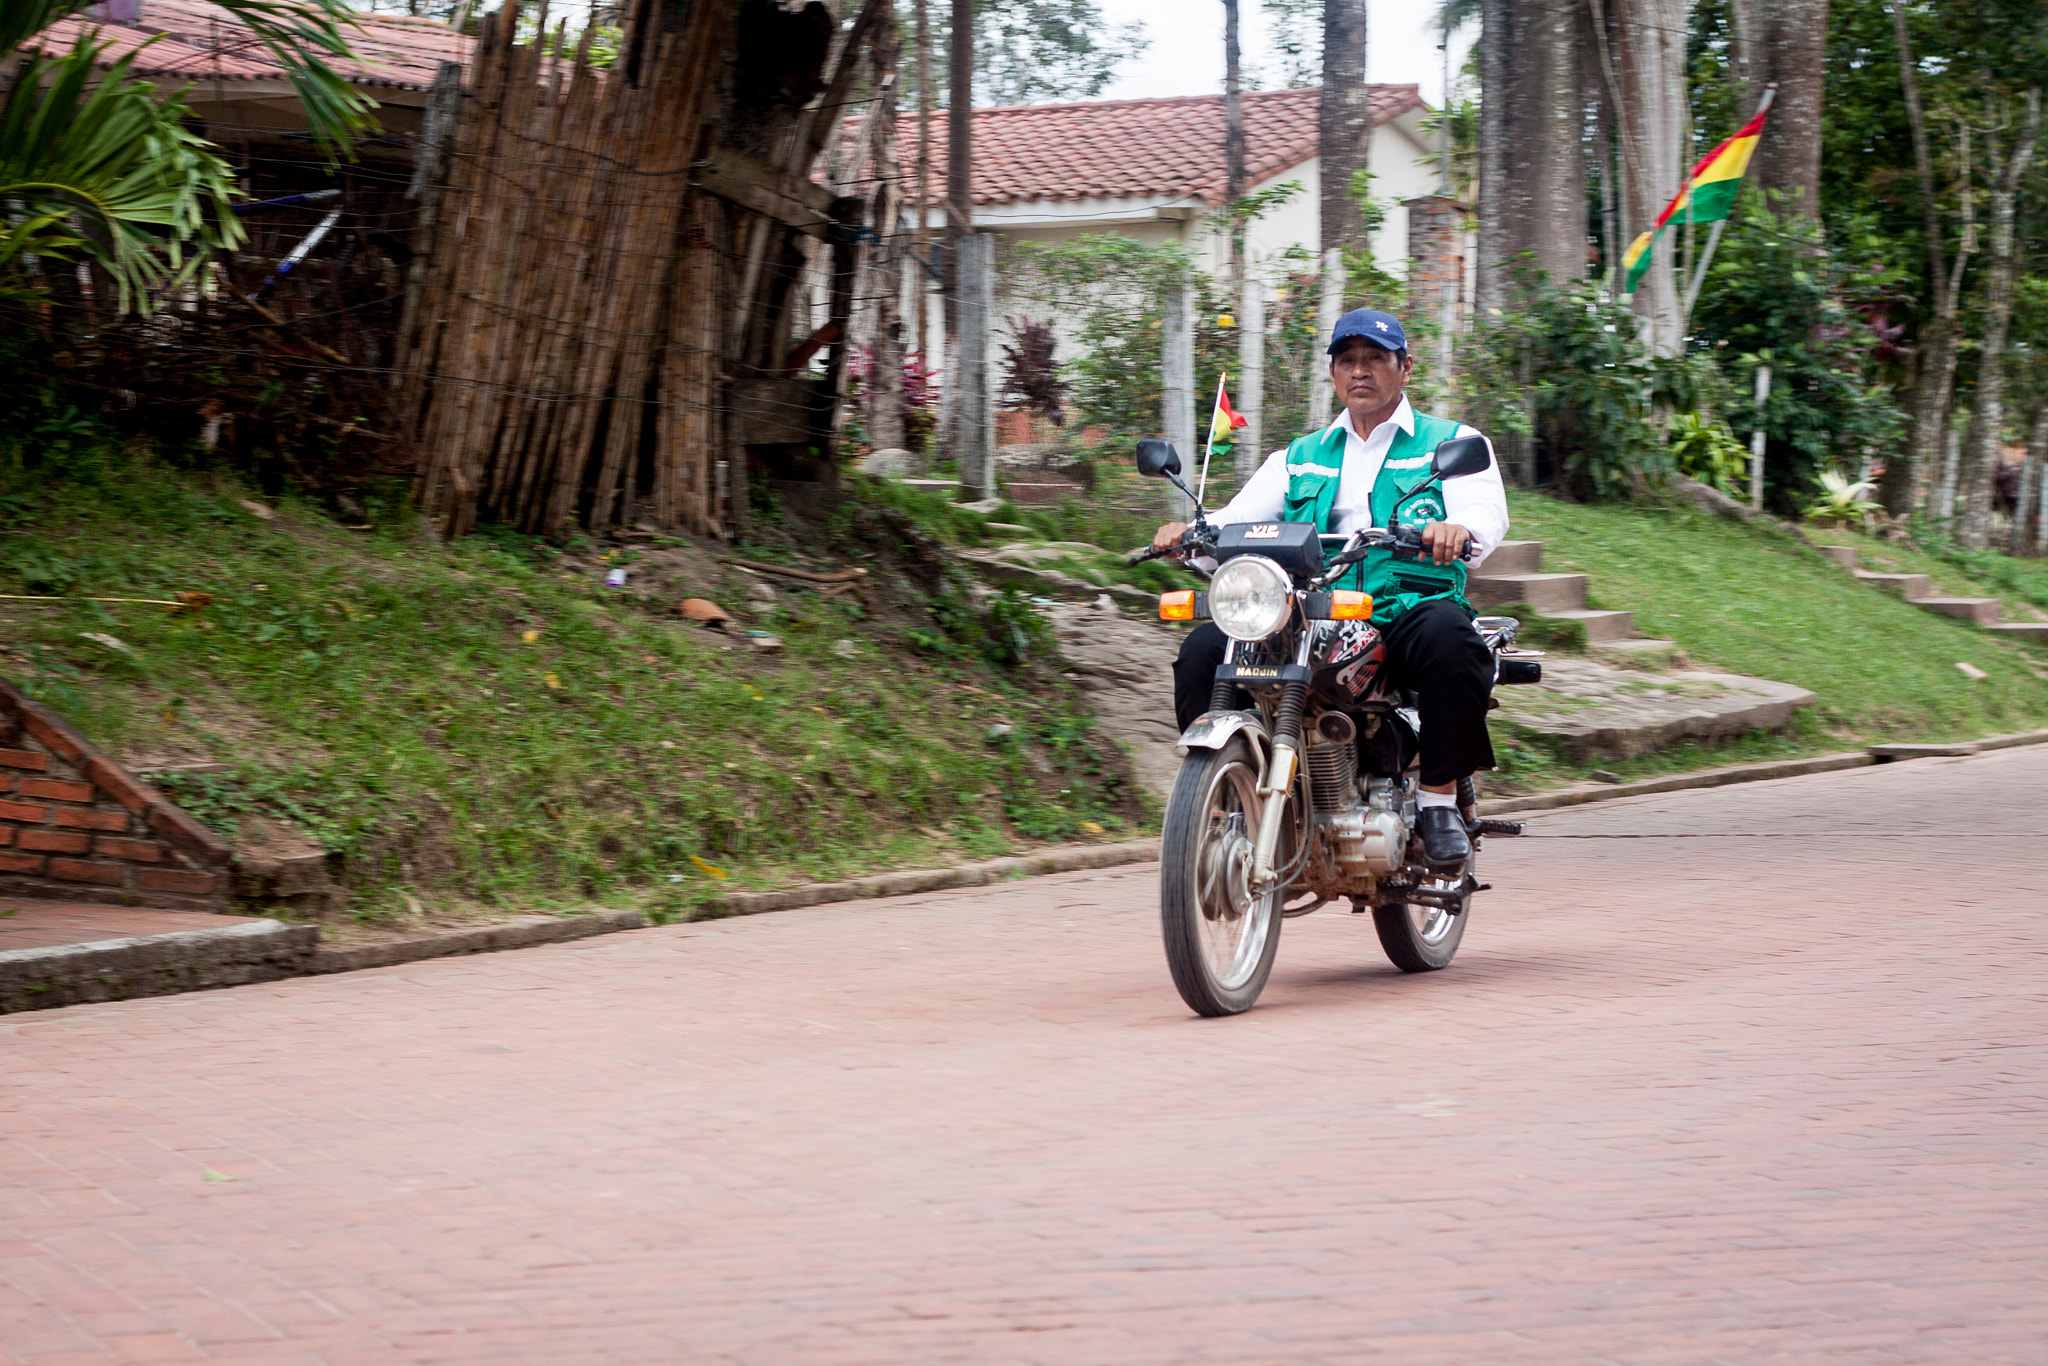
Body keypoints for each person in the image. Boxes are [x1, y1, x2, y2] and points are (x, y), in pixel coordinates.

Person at [1151, 308, 1510, 867]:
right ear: (1334, 374)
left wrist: (1459, 529)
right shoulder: (1297, 457)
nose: (1360, 371)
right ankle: (1220, 798)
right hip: (1312, 609)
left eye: (1375, 359)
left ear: (1405, 367)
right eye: (1348, 361)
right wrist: (1193, 535)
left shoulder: (1454, 442)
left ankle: (1439, 800)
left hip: (1407, 604)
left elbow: (1484, 515)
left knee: (1450, 641)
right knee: (1202, 650)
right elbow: (1237, 521)